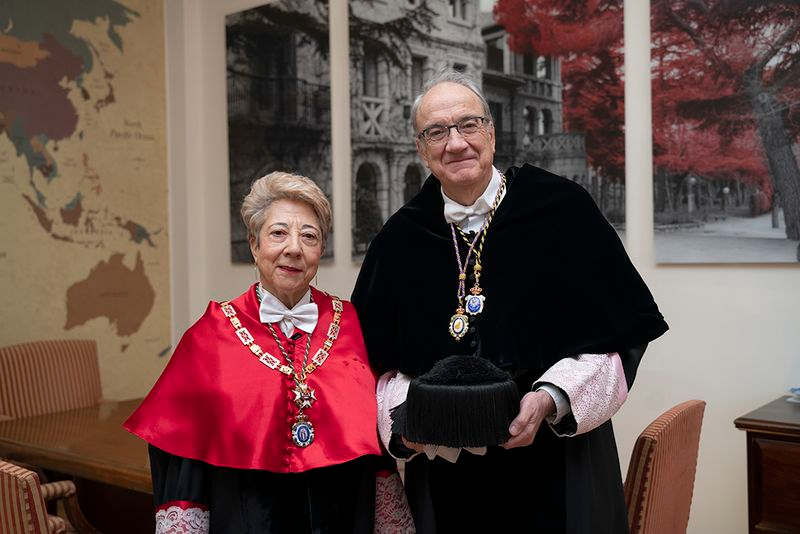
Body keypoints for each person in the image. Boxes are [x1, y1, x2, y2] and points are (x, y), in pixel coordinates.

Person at [352, 70, 669, 533]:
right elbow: (370, 363)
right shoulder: (399, 238)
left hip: (558, 462)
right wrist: (408, 423)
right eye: (436, 132)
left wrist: (548, 399)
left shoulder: (562, 209)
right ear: (422, 149)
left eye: (468, 124)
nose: (455, 142)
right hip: (445, 475)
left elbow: (620, 338)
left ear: (491, 133)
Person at [125, 171, 383, 533]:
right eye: (278, 233)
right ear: (253, 244)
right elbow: (183, 454)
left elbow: (372, 439)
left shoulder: (350, 322)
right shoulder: (210, 333)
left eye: (309, 236)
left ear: (320, 250)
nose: (294, 248)